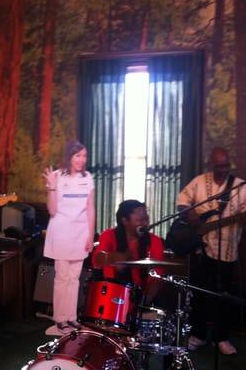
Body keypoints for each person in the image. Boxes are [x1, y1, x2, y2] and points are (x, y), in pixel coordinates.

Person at [176, 146, 246, 355]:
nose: (223, 169)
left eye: (226, 165)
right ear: (210, 164)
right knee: (199, 294)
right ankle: (198, 335)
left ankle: (221, 338)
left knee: (224, 296)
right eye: (218, 166)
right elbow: (182, 201)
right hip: (201, 249)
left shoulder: (240, 186)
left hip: (228, 251)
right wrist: (192, 214)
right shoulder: (200, 181)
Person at [43, 140, 95, 334]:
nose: (82, 160)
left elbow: (90, 208)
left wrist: (90, 235)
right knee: (62, 277)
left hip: (80, 233)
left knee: (74, 278)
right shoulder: (57, 176)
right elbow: (52, 210)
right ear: (69, 157)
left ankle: (71, 318)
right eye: (77, 155)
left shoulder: (88, 177)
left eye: (84, 156)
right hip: (61, 232)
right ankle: (60, 319)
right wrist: (51, 187)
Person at [92, 200, 165, 306]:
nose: (145, 224)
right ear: (125, 220)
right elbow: (97, 261)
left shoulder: (155, 241)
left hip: (141, 300)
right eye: (140, 220)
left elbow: (157, 277)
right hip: (111, 299)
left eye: (146, 220)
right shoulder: (109, 235)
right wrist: (114, 258)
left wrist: (144, 301)